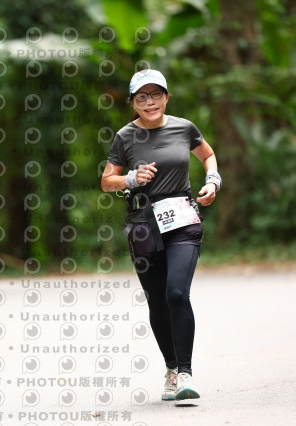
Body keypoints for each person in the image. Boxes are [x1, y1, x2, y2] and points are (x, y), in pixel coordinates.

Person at [100, 69, 221, 401]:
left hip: (183, 220)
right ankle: (171, 368)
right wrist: (131, 178)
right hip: (143, 227)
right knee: (157, 300)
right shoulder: (125, 136)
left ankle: (185, 374)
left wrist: (213, 181)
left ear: (166, 97)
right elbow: (107, 180)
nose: (149, 102)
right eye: (142, 96)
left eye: (156, 94)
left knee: (177, 293)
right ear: (133, 103)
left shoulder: (185, 128)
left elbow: (208, 155)